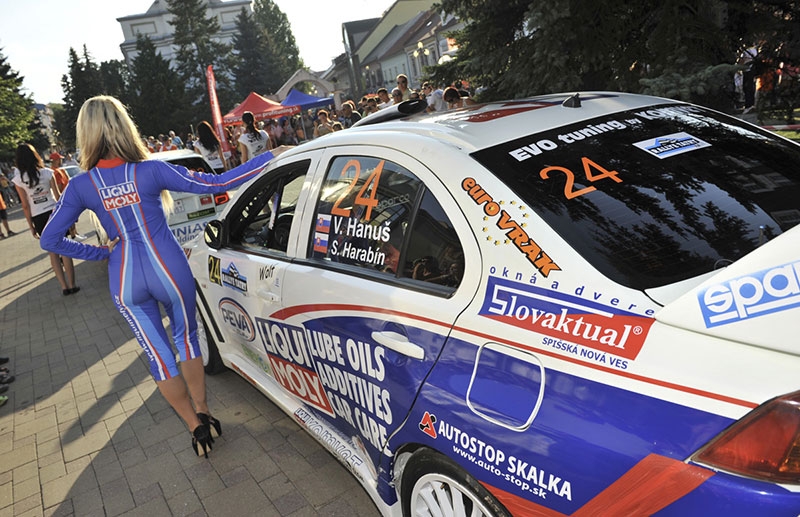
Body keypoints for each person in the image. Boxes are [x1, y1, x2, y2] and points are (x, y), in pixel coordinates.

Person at [40, 95, 282, 458]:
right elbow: (218, 184)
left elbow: (50, 239)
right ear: (125, 126)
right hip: (169, 267)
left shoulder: (81, 185)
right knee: (187, 340)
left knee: (159, 357)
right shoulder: (150, 170)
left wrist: (100, 253)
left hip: (125, 277)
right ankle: (204, 411)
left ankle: (195, 427)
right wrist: (270, 157)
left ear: (85, 134)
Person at [12, 143, 79, 296]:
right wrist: (67, 217)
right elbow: (58, 197)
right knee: (64, 248)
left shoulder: (19, 180)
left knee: (52, 252)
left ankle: (64, 287)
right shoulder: (48, 172)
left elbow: (25, 205)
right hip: (54, 212)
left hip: (38, 217)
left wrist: (31, 226)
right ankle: (73, 284)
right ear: (35, 156)